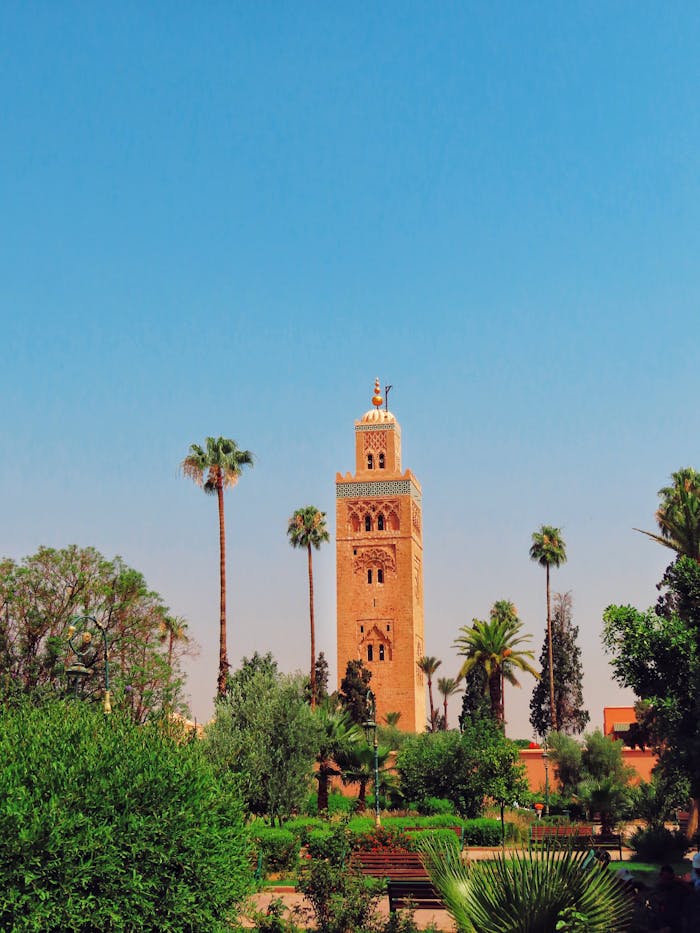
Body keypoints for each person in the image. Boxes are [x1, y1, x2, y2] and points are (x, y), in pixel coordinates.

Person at [649, 864, 691, 932]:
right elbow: (655, 908)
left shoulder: (678, 888)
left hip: (677, 923)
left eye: (669, 879)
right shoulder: (656, 889)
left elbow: (692, 893)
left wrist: (682, 882)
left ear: (673, 877)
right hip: (662, 924)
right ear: (660, 876)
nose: (666, 881)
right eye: (664, 878)